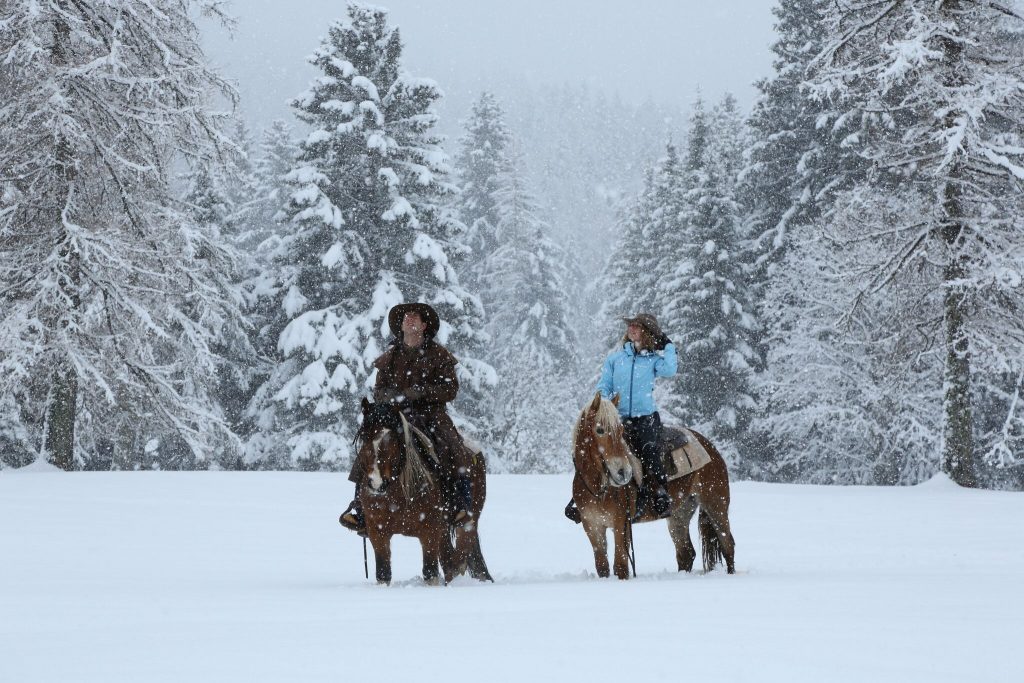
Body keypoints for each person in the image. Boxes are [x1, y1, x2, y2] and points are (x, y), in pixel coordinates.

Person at [339, 302, 475, 535]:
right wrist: (392, 398)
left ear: (424, 326)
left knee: (453, 447)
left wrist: (421, 393)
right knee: (370, 448)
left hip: (431, 416)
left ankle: (459, 505)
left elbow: (450, 390)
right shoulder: (389, 357)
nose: (409, 319)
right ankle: (360, 509)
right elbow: (378, 390)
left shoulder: (439, 355)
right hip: (395, 416)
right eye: (406, 317)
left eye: (415, 317)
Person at [566, 313, 677, 523]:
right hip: (620, 418)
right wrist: (603, 402)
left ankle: (659, 491)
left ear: (647, 332)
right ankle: (581, 497)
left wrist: (668, 346)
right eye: (630, 326)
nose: (631, 329)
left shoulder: (653, 360)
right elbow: (605, 384)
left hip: (646, 418)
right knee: (594, 448)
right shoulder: (616, 359)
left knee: (649, 449)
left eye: (637, 326)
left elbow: (671, 369)